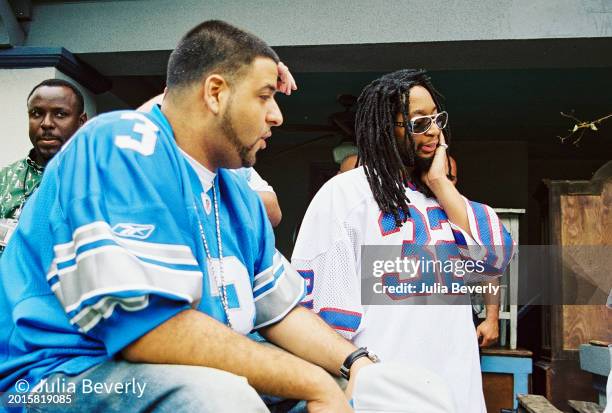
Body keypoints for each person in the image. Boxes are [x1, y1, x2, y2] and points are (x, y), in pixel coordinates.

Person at [0, 20, 373, 412]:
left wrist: (357, 364)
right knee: (217, 398)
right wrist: (313, 381)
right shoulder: (122, 145)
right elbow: (150, 331)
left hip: (177, 369)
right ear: (215, 93)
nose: (277, 116)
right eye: (265, 96)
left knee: (374, 395)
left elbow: (281, 314)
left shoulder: (238, 194)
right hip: (55, 378)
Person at [292, 69, 515, 412]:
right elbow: (323, 317)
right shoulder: (347, 194)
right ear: (385, 130)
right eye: (419, 122)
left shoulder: (447, 200)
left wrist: (441, 182)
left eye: (436, 118)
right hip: (384, 394)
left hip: (458, 390)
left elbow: (495, 259)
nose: (435, 131)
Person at [139, 93, 283, 226]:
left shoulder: (233, 161)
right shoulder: (152, 147)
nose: (275, 119)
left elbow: (273, 211)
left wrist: (218, 191)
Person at [0, 79, 87, 255]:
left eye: (60, 114)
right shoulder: (6, 177)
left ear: (82, 122)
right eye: (36, 113)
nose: (46, 123)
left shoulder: (92, 179)